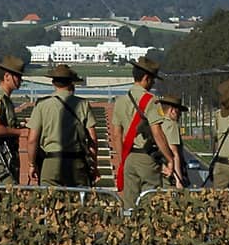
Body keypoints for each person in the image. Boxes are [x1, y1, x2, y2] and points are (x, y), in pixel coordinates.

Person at [112, 56, 179, 208]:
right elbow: (157, 133)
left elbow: (116, 135)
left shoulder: (120, 101)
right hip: (147, 158)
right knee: (150, 202)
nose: (153, 83)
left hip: (129, 157)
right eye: (153, 80)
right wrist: (170, 158)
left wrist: (123, 159)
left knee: (129, 205)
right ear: (146, 78)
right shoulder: (151, 100)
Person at [27, 63, 96, 188]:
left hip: (51, 162)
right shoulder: (83, 104)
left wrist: (32, 164)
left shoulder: (42, 105)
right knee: (78, 203)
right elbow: (92, 139)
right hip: (76, 162)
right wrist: (93, 165)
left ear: (53, 83)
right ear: (71, 83)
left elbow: (32, 140)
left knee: (50, 203)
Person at [0, 55, 29, 186]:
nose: (20, 80)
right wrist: (20, 132)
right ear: (7, 76)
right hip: (0, 158)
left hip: (7, 156)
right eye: (17, 76)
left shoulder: (5, 99)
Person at [156, 91, 189, 186]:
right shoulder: (171, 125)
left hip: (158, 168)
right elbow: (174, 153)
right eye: (179, 112)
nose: (180, 115)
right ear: (172, 110)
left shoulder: (157, 123)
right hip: (170, 173)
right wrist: (179, 179)